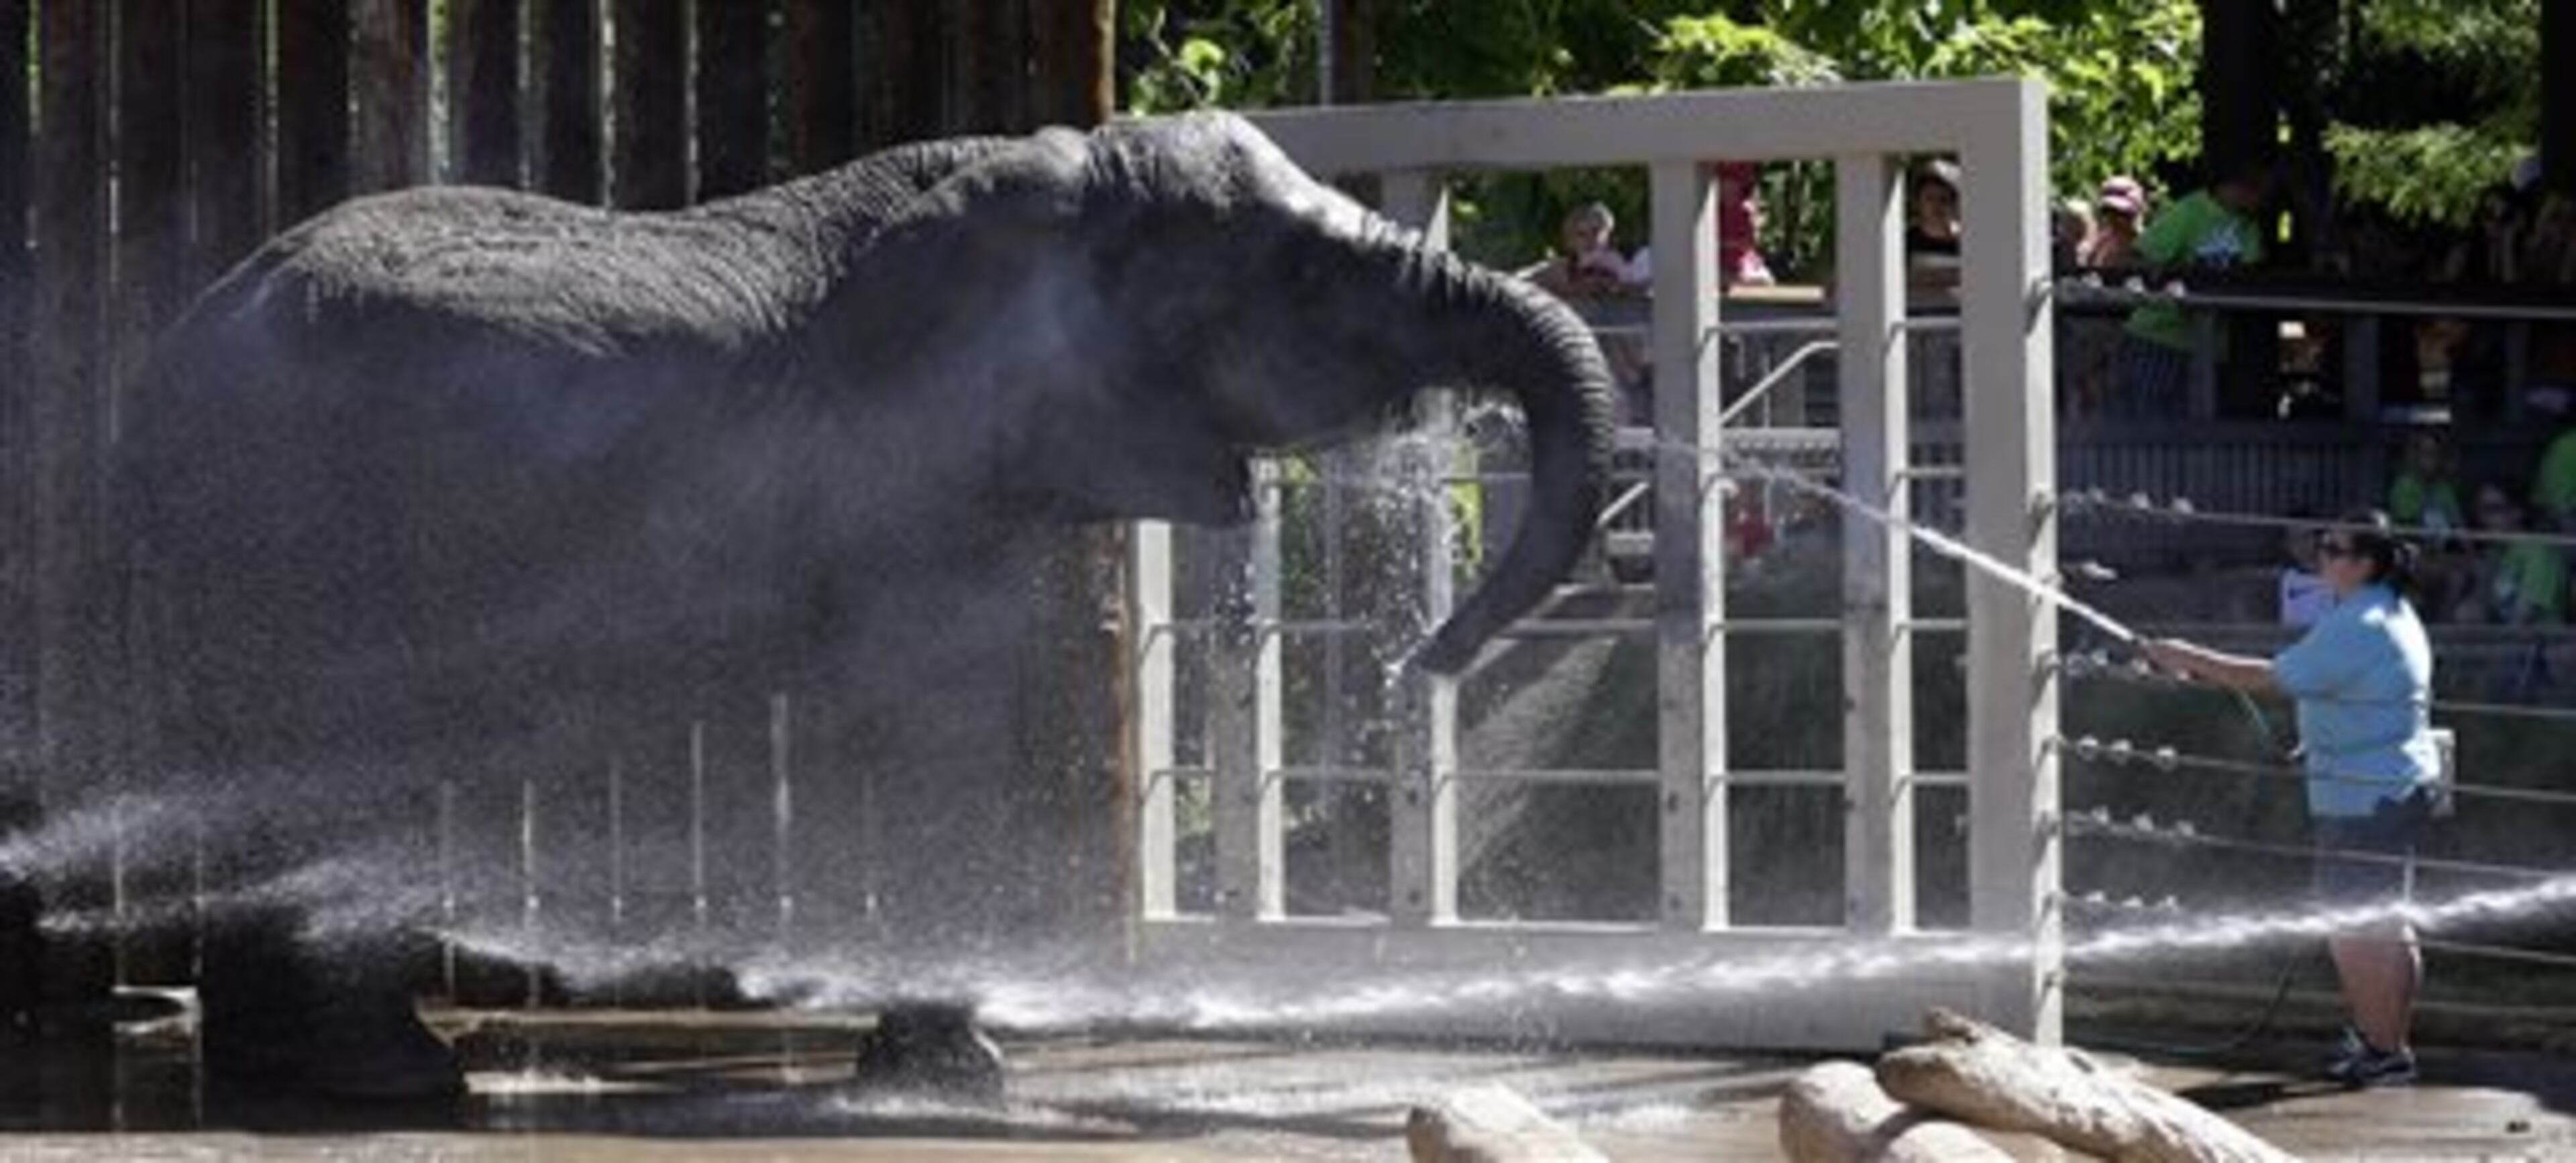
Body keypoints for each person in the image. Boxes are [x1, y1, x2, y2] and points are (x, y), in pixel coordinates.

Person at [2142, 511, 2438, 1089]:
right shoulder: (2386, 611)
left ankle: (2383, 1051)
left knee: (2354, 928)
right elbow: (2357, 691)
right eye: (2322, 545)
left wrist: (2187, 657)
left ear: (2365, 562)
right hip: (2388, 785)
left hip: (2362, 800)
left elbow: (2272, 677)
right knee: (2386, 923)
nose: (2321, 554)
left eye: (2333, 547)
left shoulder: (2360, 622)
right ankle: (2385, 1041)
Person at [2112, 159, 2274, 417]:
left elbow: (2248, 280)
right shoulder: (2189, 211)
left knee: (2196, 431)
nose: (2265, 199)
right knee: (2145, 426)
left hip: (2209, 347)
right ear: (2235, 187)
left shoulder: (2250, 229)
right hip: (2157, 338)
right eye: (2261, 191)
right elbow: (2135, 258)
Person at [2082, 176, 2147, 268]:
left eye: (2124, 214)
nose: (2117, 221)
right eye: (2110, 212)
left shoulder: (2150, 250)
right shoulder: (2097, 247)